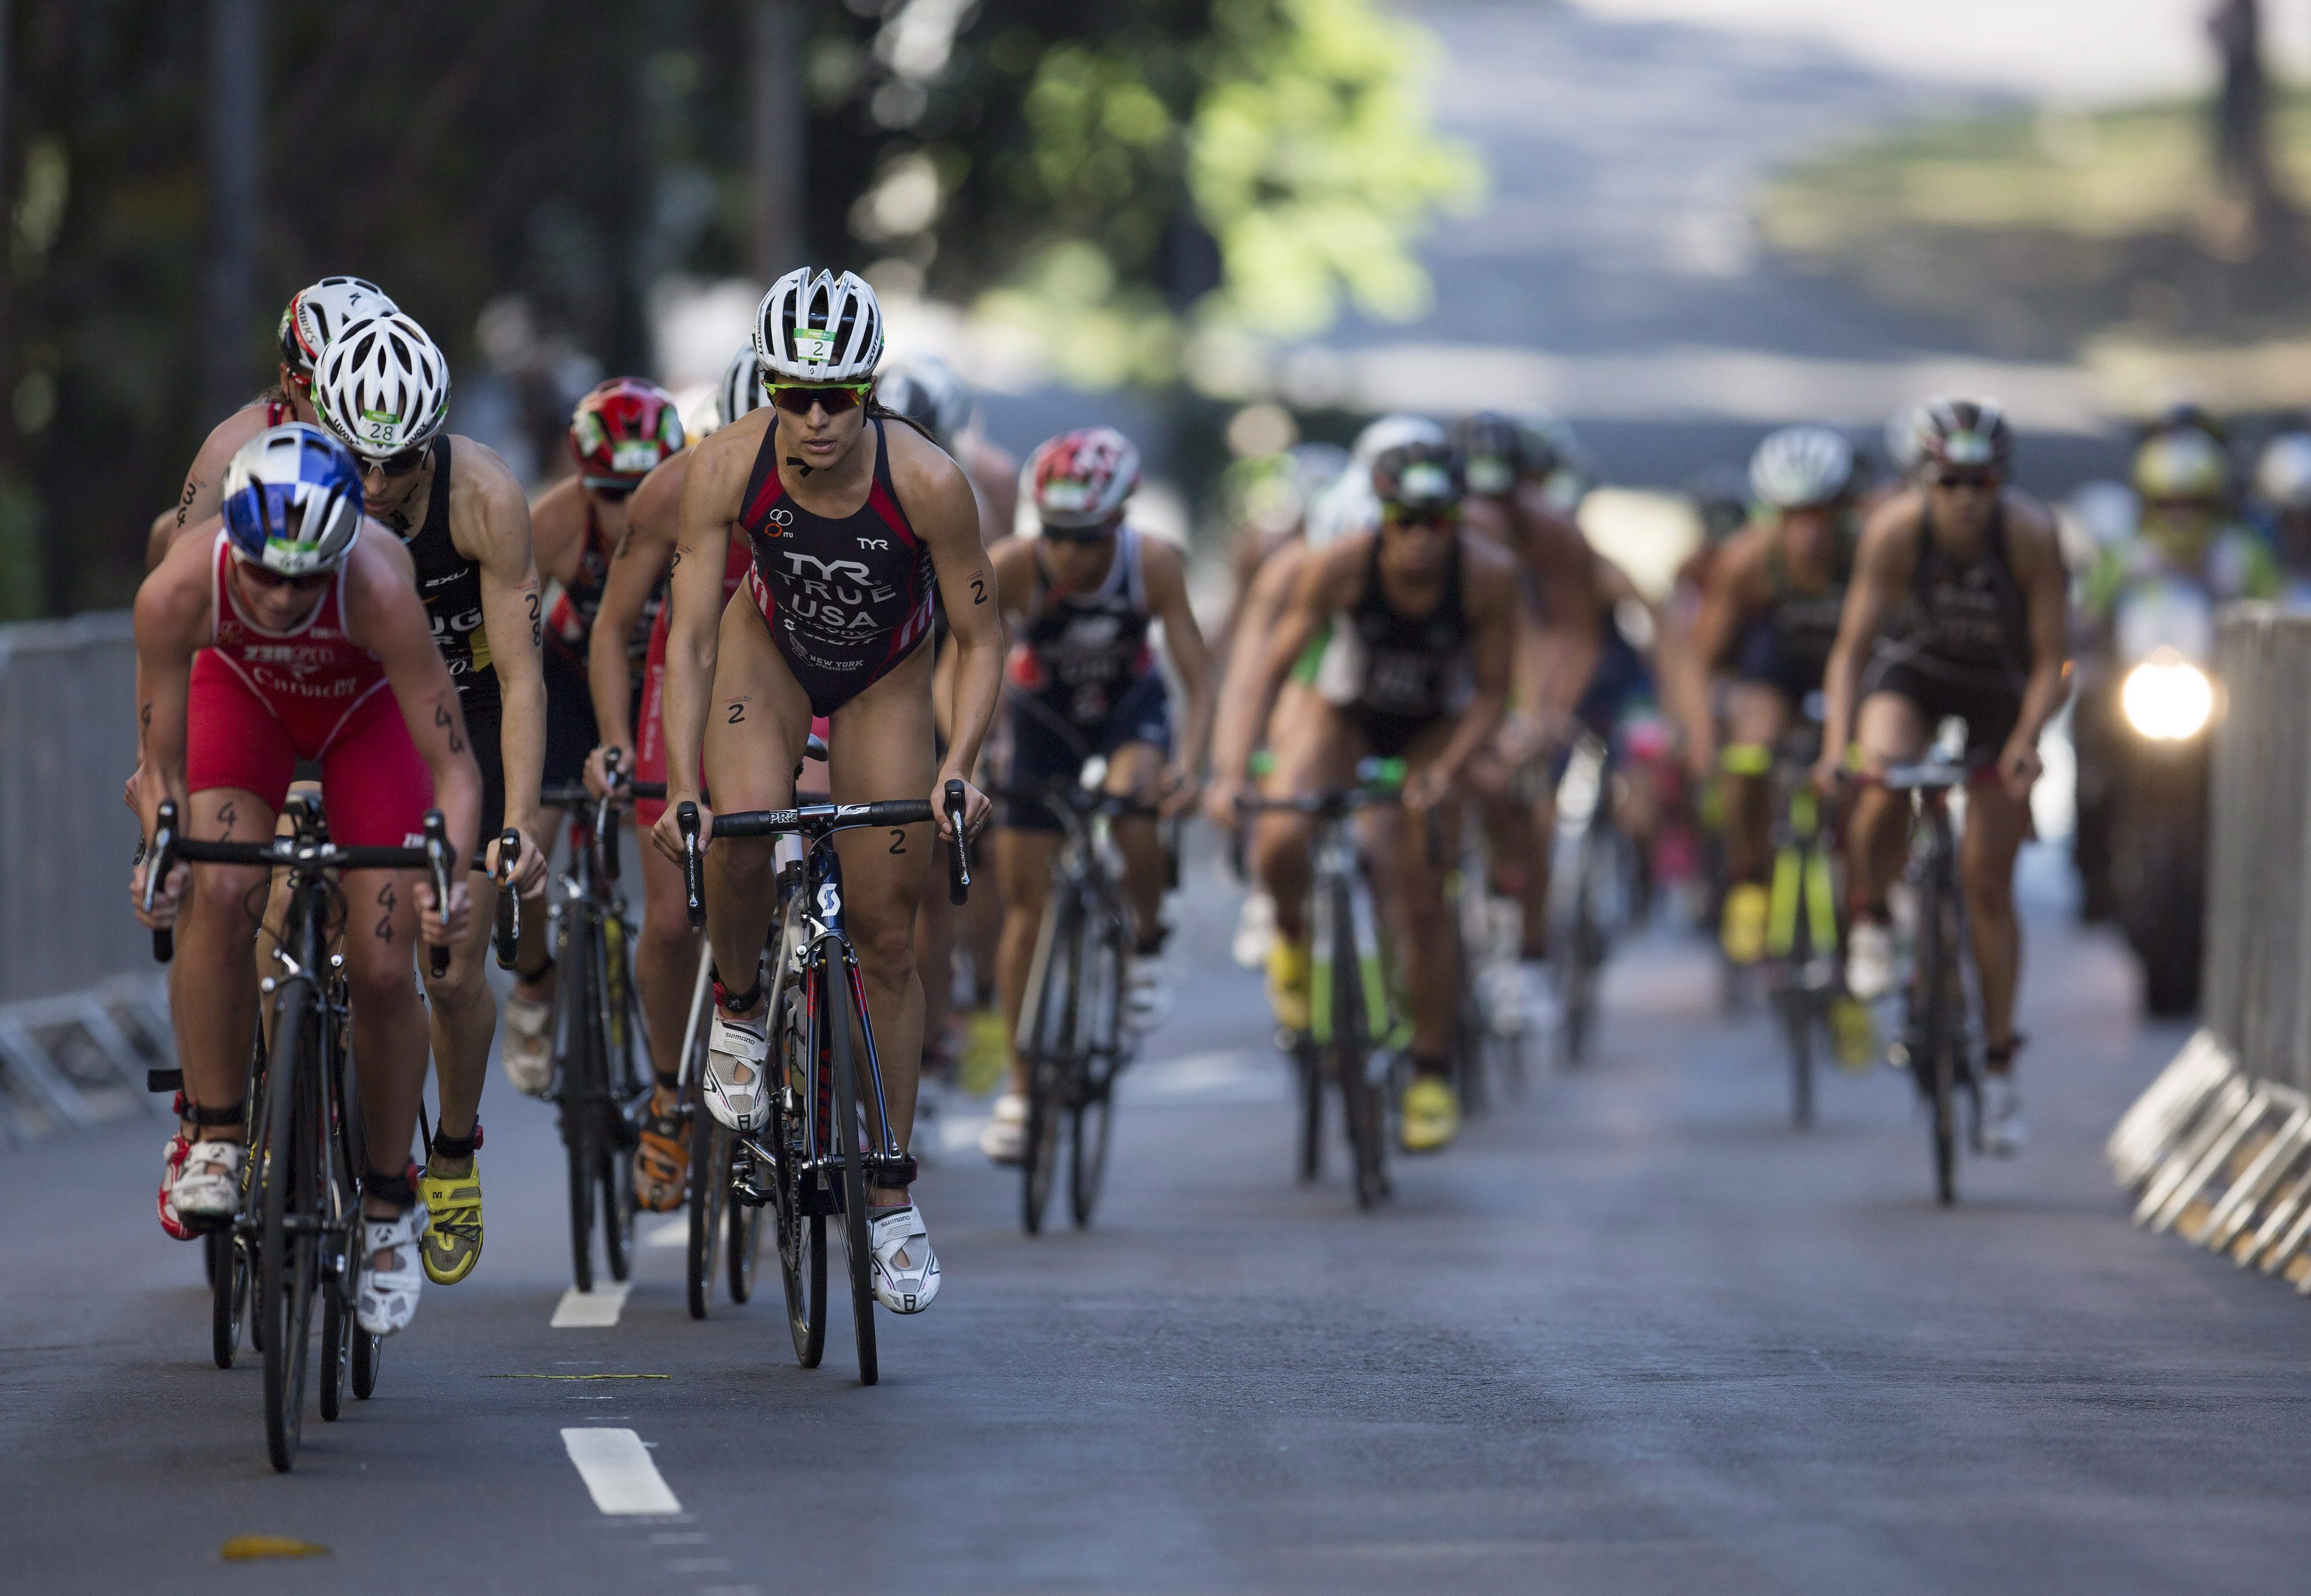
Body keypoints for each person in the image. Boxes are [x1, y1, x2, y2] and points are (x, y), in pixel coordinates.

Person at [650, 269, 1003, 1314]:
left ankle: (890, 1195)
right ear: (765, 385)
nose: (812, 418)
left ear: (870, 390)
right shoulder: (724, 465)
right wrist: (679, 786)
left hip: (887, 677)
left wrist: (960, 766)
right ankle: (743, 1010)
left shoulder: (930, 481)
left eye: (835, 395)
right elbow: (693, 641)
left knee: (889, 937)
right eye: (792, 392)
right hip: (773, 656)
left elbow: (983, 637)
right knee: (740, 832)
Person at [132, 424, 481, 1335]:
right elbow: (158, 772)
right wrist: (158, 853)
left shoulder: (378, 581)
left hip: (366, 719)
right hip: (241, 700)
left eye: (306, 576)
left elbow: (455, 772)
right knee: (216, 888)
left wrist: (446, 872)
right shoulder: (178, 587)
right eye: (265, 574)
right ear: (232, 545)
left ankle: (384, 1203)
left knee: (380, 959)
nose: (285, 595)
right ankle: (214, 1132)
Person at [311, 310, 548, 1284]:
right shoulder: (300, 490)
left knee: (450, 968)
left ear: (433, 442)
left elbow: (525, 675)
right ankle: (269, 1111)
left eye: (396, 462)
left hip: (468, 717)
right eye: (354, 460)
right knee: (287, 903)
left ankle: (450, 1150)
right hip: (352, 713)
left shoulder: (484, 494)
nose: (371, 486)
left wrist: (522, 821)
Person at [1206, 439, 1516, 1154]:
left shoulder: (1487, 577)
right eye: (1403, 519)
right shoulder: (1339, 566)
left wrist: (1451, 768)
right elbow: (1267, 672)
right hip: (1344, 712)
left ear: (1456, 522)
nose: (1417, 537)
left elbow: (1494, 692)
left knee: (1422, 890)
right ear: (1381, 515)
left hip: (1434, 727)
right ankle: (1288, 932)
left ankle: (1433, 1073)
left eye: (1434, 521)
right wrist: (1231, 774)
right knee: (1284, 830)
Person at [1815, 399, 2070, 1155]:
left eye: (1981, 482)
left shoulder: (2030, 536)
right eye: (1949, 481)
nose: (1965, 499)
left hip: (2001, 687)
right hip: (1915, 674)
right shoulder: (1895, 530)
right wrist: (1837, 744)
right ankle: (1871, 914)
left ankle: (1997, 1070)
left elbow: (2056, 658)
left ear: (2002, 484)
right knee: (1881, 773)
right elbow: (1851, 652)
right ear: (1924, 480)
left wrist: (2027, 740)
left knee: (1988, 879)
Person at [975, 428, 1214, 1165]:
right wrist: (972, 755)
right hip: (1043, 719)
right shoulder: (1013, 567)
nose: (1070, 555)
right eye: (1055, 535)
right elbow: (965, 660)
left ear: (1119, 521)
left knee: (1136, 812)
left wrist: (1192, 767)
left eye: (1086, 538)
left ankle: (1145, 943)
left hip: (1124, 713)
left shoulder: (1155, 565)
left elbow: (1198, 680)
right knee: (1026, 904)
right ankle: (1020, 1089)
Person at [586, 345, 766, 1211]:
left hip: (787, 679)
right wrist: (620, 739)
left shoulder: (835, 482)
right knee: (670, 915)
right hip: (683, 679)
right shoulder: (670, 490)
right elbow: (616, 620)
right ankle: (667, 1094)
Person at [503, 378, 689, 1093]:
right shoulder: (553, 524)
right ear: (584, 481)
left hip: (666, 692)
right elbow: (512, 641)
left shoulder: (695, 512)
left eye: (645, 486)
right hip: (571, 690)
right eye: (612, 493)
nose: (631, 507)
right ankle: (537, 984)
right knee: (530, 848)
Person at [1678, 426, 1857, 965]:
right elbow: (1699, 659)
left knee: (1864, 778)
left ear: (1842, 509)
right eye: (1792, 515)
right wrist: (1705, 735)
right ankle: (1749, 879)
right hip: (1775, 671)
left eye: (1820, 514)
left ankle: (1863, 902)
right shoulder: (1745, 561)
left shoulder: (1870, 553)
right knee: (1749, 752)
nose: (1807, 531)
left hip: (1849, 673)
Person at [1451, 411, 1606, 1013]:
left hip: (1527, 666)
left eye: (1503, 493)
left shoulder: (1553, 535)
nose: (1487, 508)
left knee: (1530, 800)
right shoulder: (1439, 534)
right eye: (1474, 494)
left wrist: (1546, 716)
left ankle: (1532, 945)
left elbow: (1570, 634)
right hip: (1458, 668)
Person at [150, 277, 400, 571]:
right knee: (164, 533)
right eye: (317, 391)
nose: (335, 414)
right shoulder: (232, 443)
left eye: (358, 393)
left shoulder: (407, 437)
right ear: (286, 381)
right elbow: (175, 574)